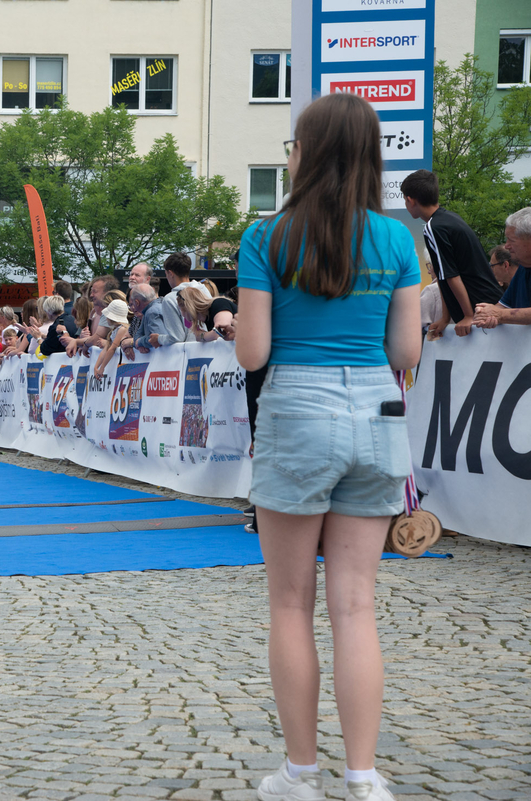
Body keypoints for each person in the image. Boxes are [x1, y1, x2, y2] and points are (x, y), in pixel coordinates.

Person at [235, 92, 423, 801]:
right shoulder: (397, 240)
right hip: (377, 409)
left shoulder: (267, 237)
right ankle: (364, 776)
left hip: (298, 409)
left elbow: (252, 354)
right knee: (356, 606)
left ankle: (300, 773)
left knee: (291, 604)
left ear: (306, 153)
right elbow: (405, 351)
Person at [401, 169, 502, 339]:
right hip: (488, 301)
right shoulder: (449, 219)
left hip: (480, 310)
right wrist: (445, 318)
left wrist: (468, 315)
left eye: (405, 200)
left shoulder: (433, 227)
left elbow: (451, 276)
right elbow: (443, 277)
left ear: (410, 200)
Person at [474, 208, 531, 328]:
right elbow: (504, 306)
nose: (507, 246)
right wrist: (485, 313)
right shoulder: (523, 267)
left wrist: (500, 315)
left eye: (511, 240)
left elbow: (501, 312)